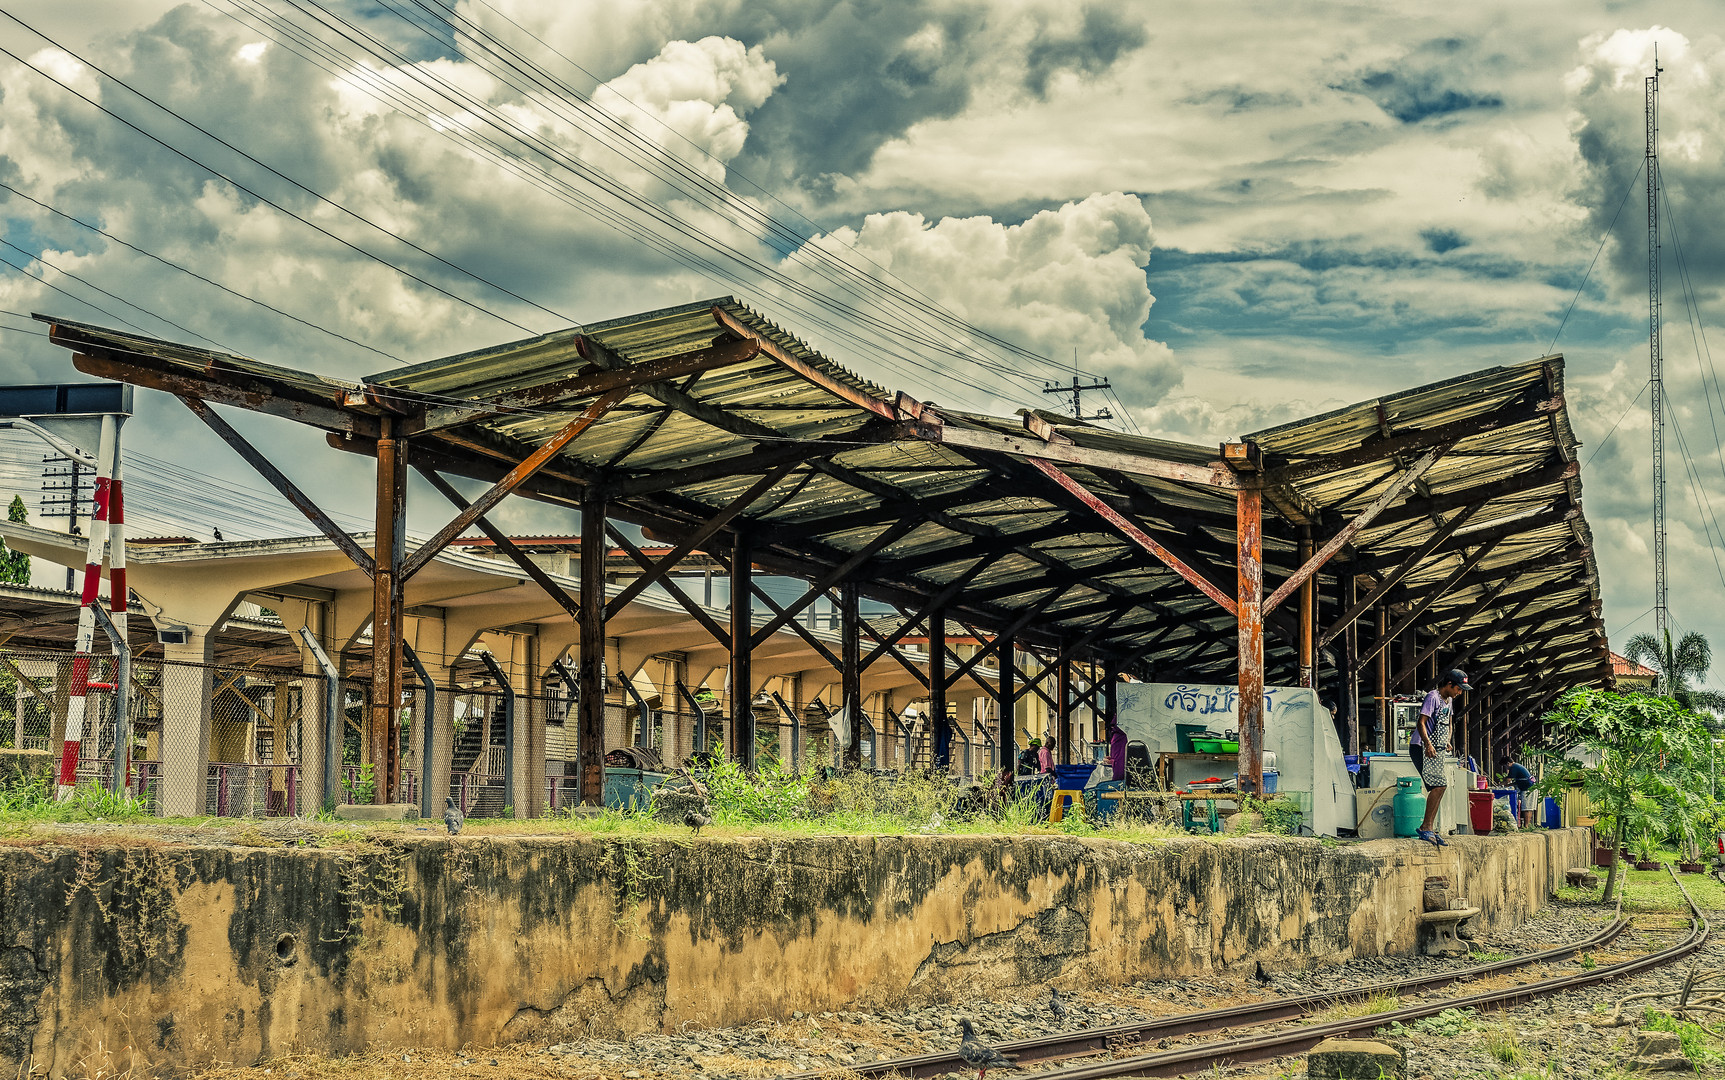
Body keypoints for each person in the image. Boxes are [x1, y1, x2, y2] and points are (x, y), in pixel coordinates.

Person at [1412, 669, 1471, 846]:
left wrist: (1447, 740)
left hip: (1438, 749)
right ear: (1449, 685)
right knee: (1438, 785)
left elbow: (1449, 723)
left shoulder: (1449, 701)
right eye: (1458, 688)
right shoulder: (1433, 697)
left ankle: (1429, 827)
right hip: (1422, 747)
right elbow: (1421, 723)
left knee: (1441, 786)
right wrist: (1428, 743)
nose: (1460, 692)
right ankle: (1425, 828)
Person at [1506, 759, 1536, 827]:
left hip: (1527, 789)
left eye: (1505, 766)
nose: (1506, 768)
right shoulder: (1517, 766)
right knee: (1529, 808)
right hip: (1530, 787)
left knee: (1526, 808)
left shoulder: (1513, 767)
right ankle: (1527, 825)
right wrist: (1509, 785)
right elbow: (1518, 781)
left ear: (1508, 763)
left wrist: (1501, 784)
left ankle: (1526, 826)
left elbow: (1508, 780)